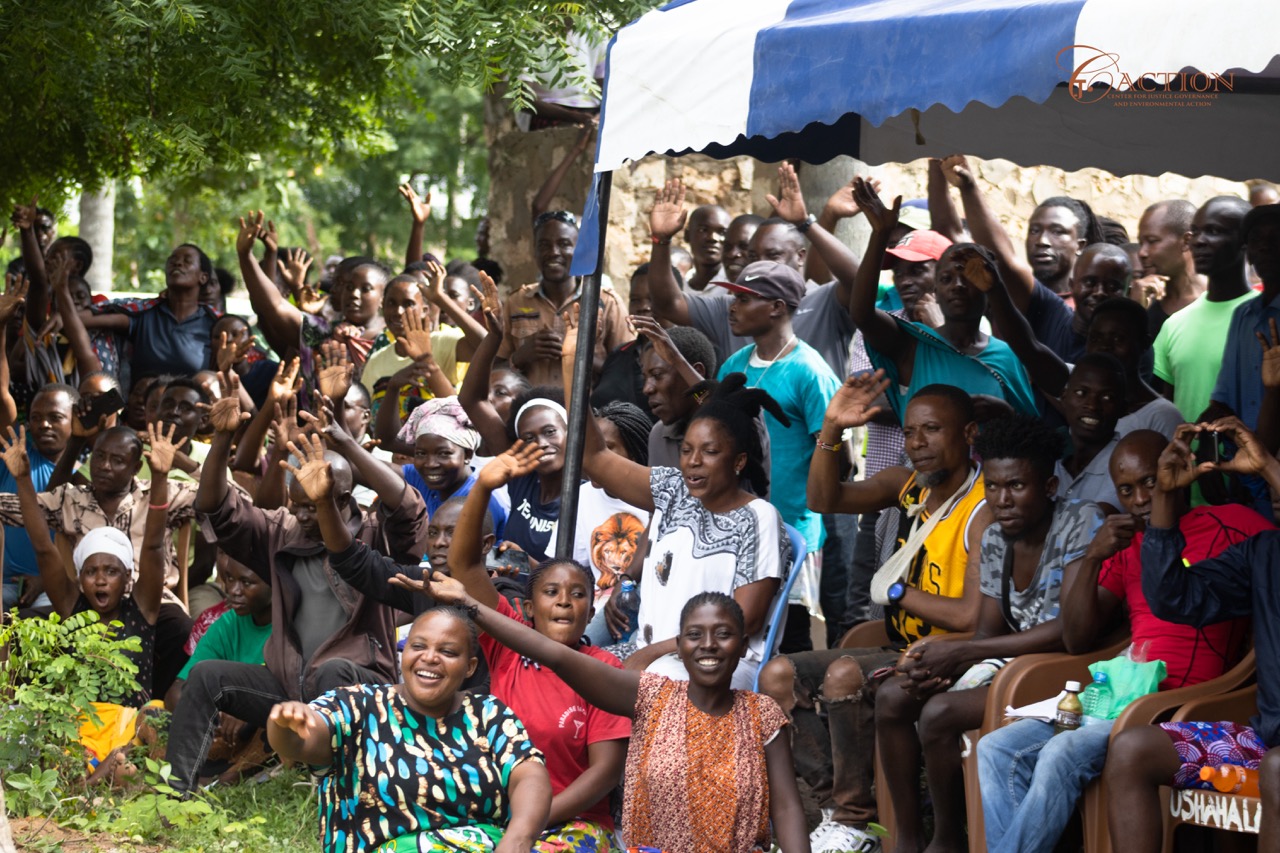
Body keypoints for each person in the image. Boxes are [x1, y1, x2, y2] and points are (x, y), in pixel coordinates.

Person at [977, 428, 1267, 853]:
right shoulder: (1129, 545)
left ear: (1178, 470)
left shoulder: (1231, 523)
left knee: (1062, 753)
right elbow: (1077, 639)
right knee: (996, 747)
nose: (1141, 499)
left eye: (1151, 481)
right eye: (1126, 490)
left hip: (1181, 704)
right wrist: (1093, 557)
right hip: (1117, 697)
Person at [760, 377, 992, 853]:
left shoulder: (983, 504)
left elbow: (972, 615)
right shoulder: (907, 486)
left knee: (845, 674)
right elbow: (824, 500)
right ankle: (839, 812)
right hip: (901, 647)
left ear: (969, 434)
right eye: (909, 432)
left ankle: (854, 819)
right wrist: (829, 430)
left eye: (931, 430)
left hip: (954, 654)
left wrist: (899, 591)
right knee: (779, 675)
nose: (917, 443)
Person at [170, 372, 428, 795]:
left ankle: (337, 791)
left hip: (361, 686)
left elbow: (409, 510)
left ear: (343, 498)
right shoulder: (281, 531)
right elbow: (217, 507)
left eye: (314, 505)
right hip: (291, 685)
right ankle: (178, 792)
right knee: (206, 676)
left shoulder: (374, 536)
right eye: (297, 505)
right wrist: (221, 440)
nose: (303, 516)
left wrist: (345, 443)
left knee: (331, 672)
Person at [421, 574, 811, 853]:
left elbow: (788, 806)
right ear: (679, 645)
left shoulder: (761, 714)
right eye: (695, 635)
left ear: (743, 646)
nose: (708, 645)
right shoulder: (649, 696)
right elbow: (554, 654)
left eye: (723, 635)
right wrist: (470, 605)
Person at [375, 443, 632, 850]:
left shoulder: (603, 670)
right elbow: (467, 568)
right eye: (551, 591)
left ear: (590, 609)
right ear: (529, 608)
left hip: (575, 824)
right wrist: (481, 489)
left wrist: (531, 821)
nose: (564, 601)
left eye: (578, 594)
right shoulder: (507, 643)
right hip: (496, 815)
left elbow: (604, 774)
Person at [875, 414, 1103, 853]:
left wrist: (966, 655)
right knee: (893, 696)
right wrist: (948, 659)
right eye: (994, 487)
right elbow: (987, 629)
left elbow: (1069, 632)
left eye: (1017, 486)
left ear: (1050, 488)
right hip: (1010, 662)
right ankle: (907, 836)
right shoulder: (998, 538)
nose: (1002, 500)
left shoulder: (1080, 522)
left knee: (939, 714)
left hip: (1069, 670)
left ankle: (949, 839)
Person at [1104, 416, 1280, 853]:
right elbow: (1174, 599)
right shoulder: (1264, 553)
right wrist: (1164, 493)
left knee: (1278, 769)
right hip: (1268, 740)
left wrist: (1269, 468)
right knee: (1132, 750)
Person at [267, 605, 553, 853]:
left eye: (448, 651)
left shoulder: (488, 713)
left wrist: (519, 837)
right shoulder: (358, 705)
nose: (429, 658)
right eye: (418, 646)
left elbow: (528, 773)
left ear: (470, 666)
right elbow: (302, 741)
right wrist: (285, 725)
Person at [582, 368, 788, 690]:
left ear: (738, 461)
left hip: (716, 664)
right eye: (687, 450)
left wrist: (654, 651)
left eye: (710, 451)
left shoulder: (758, 518)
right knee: (572, 675)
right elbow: (595, 458)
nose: (693, 461)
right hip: (650, 654)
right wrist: (573, 369)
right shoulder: (672, 490)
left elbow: (745, 620)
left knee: (621, 690)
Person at [3, 422, 172, 775]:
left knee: (155, 718)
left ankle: (110, 780)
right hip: (79, 730)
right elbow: (43, 548)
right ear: (79, 578)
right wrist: (21, 478)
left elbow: (154, 546)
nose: (99, 579)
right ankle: (91, 780)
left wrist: (160, 478)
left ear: (127, 578)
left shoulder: (142, 609)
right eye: (91, 571)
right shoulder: (71, 606)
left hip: (130, 735)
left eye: (111, 571)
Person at [715, 258, 840, 646]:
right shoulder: (735, 366)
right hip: (740, 526)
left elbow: (838, 456)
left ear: (776, 307)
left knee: (790, 633)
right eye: (733, 297)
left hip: (793, 527)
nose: (732, 307)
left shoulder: (809, 371)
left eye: (744, 298)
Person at [848, 180, 1038, 418]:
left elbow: (1030, 434)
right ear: (935, 288)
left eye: (969, 277)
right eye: (947, 278)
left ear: (990, 289)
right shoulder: (914, 343)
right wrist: (880, 234)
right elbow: (862, 315)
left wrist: (1004, 413)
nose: (957, 286)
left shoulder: (1006, 357)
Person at [645, 172, 861, 380]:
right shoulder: (731, 312)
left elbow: (859, 282)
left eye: (773, 255)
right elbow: (669, 304)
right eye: (753, 256)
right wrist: (660, 240)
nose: (760, 264)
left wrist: (807, 224)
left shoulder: (824, 307)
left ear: (800, 256)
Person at [496, 210, 632, 387]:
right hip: (529, 410)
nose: (553, 252)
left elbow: (628, 370)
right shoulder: (517, 302)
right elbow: (494, 370)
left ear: (579, 251)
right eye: (544, 245)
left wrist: (577, 355)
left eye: (564, 244)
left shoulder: (606, 303)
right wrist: (521, 356)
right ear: (534, 252)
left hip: (589, 412)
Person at [1152, 196, 1256, 421]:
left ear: (1246, 241)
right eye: (1195, 232)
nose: (1199, 241)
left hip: (1254, 455)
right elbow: (1166, 410)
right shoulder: (1174, 324)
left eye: (1214, 231)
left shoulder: (1269, 319)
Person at [80, 243, 221, 379]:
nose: (178, 263)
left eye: (187, 260)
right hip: (143, 402)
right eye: (172, 260)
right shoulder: (144, 315)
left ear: (203, 277)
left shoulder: (215, 324)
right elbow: (84, 320)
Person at [0, 383, 75, 610]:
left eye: (55, 417)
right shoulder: (13, 458)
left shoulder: (88, 475)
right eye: (36, 417)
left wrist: (46, 581)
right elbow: (3, 395)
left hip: (54, 587)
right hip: (4, 583)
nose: (44, 424)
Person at [1208, 202, 1280, 428]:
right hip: (1242, 455)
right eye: (1256, 239)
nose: (1265, 247)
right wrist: (1201, 428)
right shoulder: (1243, 315)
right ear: (1248, 252)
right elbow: (1223, 399)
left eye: (1276, 238)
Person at [392, 396, 507, 533]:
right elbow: (369, 471)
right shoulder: (418, 477)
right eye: (421, 454)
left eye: (443, 454)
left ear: (468, 455)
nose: (430, 464)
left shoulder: (484, 500)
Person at [1053, 353, 1129, 510]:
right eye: (1081, 393)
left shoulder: (1127, 464)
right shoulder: (1046, 450)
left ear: (1122, 408)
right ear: (1064, 397)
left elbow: (1096, 521)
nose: (1092, 405)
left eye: (1107, 397)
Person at [1136, 200, 1202, 339]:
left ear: (1187, 241)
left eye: (1152, 241)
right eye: (1141, 243)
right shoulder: (1144, 302)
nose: (1142, 252)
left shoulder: (1219, 299)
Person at [682, 203, 731, 291]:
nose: (712, 238)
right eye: (703, 230)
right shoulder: (679, 286)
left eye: (722, 232)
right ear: (687, 235)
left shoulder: (736, 285)